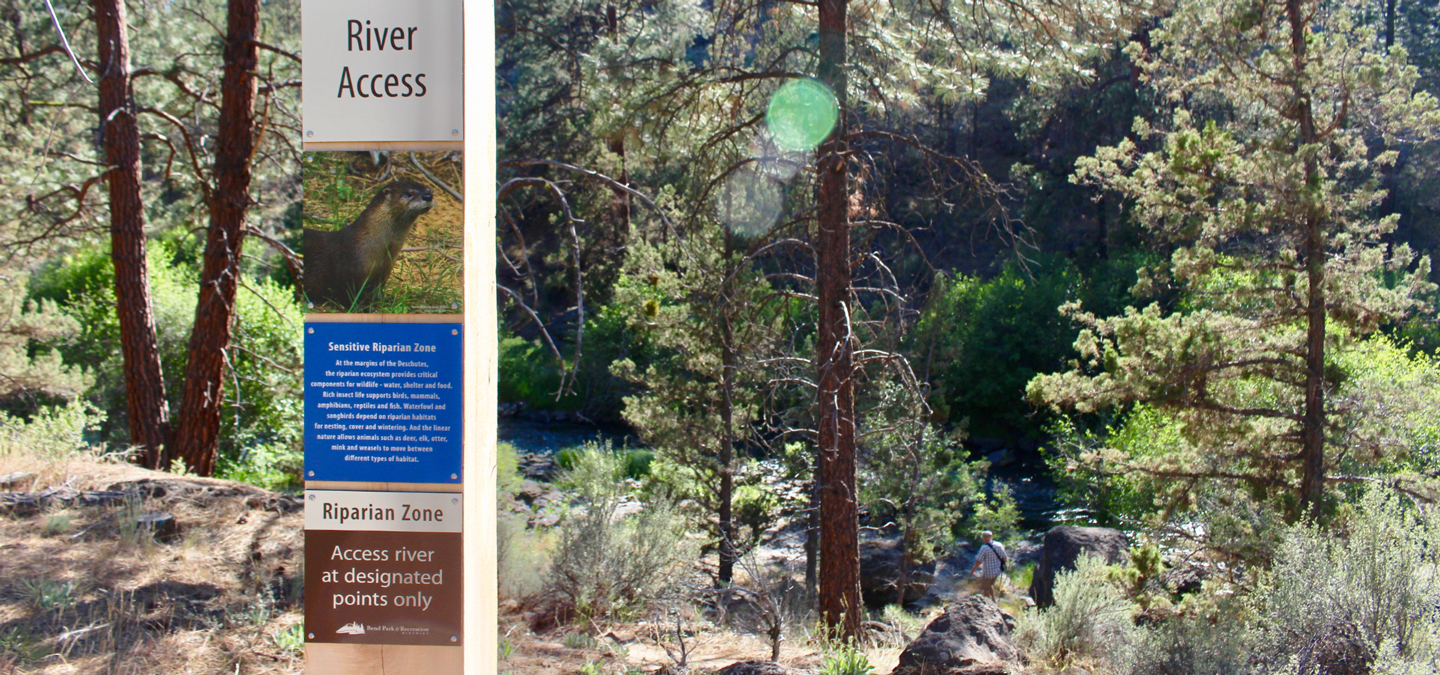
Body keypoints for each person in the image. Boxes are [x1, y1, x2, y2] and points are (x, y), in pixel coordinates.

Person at [968, 530, 1007, 600]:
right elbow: (1004, 558)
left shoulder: (984, 548)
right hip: (997, 571)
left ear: (984, 538)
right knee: (990, 585)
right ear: (991, 536)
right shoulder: (999, 545)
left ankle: (988, 602)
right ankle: (993, 599)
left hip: (988, 573)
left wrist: (973, 571)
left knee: (985, 588)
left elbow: (979, 561)